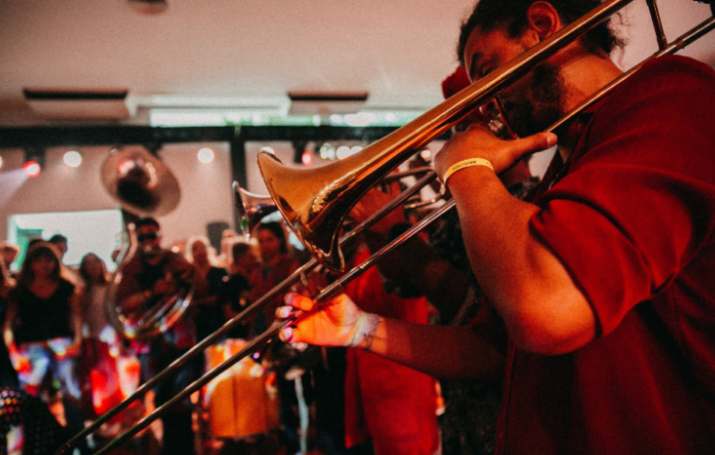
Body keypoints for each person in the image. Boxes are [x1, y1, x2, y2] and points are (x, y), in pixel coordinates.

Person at [276, 1, 715, 454]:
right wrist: (358, 329)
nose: (482, 102)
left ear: (542, 27)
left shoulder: (671, 95)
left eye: (485, 72)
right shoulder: (566, 173)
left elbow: (544, 309)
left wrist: (465, 167)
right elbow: (491, 349)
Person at [115, 217, 199, 455]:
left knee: (183, 400)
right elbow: (123, 305)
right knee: (161, 400)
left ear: (159, 236)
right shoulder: (130, 268)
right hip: (149, 343)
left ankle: (185, 450)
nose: (148, 241)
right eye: (142, 237)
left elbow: (198, 290)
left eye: (152, 236)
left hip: (181, 338)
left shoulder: (176, 260)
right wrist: (153, 291)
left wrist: (190, 273)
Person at [2, 242, 85, 440]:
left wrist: (78, 342)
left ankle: (79, 438)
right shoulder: (20, 290)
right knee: (30, 396)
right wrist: (12, 349)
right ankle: (37, 439)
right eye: (38, 260)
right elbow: (8, 325)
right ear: (30, 263)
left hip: (62, 343)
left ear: (55, 262)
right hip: (31, 346)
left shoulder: (66, 287)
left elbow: (77, 317)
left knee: (71, 393)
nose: (43, 265)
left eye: (48, 260)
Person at [77, 253, 123, 420]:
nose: (92, 266)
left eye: (95, 261)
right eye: (88, 263)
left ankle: (112, 417)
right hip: (89, 337)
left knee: (110, 379)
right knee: (91, 379)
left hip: (108, 337)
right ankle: (94, 418)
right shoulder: (81, 290)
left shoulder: (111, 286)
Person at [185, 235, 229, 342]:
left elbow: (221, 297)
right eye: (195, 249)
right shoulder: (188, 275)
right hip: (197, 324)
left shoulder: (219, 272)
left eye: (202, 247)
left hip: (216, 320)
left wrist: (197, 303)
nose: (200, 252)